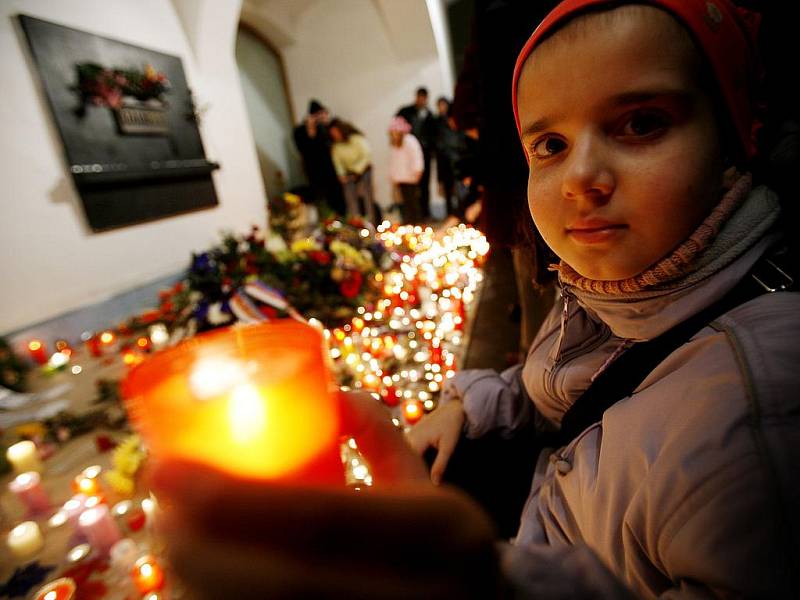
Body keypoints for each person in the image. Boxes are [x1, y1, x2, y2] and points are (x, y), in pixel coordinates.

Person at [151, 1, 799, 597]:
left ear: (735, 136)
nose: (580, 178)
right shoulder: (615, 291)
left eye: (641, 123)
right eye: (550, 145)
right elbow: (563, 385)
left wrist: (487, 587)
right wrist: (471, 403)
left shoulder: (756, 419)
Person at [292, 100, 346, 216]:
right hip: (315, 175)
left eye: (324, 113)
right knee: (323, 205)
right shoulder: (300, 131)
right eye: (319, 115)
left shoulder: (326, 129)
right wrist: (311, 130)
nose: (322, 117)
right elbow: (304, 150)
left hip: (333, 173)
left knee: (339, 204)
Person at [397, 87, 438, 220]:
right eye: (419, 97)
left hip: (425, 154)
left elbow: (434, 135)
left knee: (425, 185)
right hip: (409, 155)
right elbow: (396, 125)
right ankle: (413, 215)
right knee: (410, 187)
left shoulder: (430, 115)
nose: (421, 100)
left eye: (424, 98)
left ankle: (425, 213)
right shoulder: (406, 112)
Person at [328, 118, 377, 224]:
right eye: (332, 134)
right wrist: (341, 175)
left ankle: (371, 224)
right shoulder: (336, 146)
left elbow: (366, 155)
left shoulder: (356, 139)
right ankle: (357, 223)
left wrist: (357, 172)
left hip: (363, 171)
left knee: (367, 198)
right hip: (348, 174)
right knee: (350, 199)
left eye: (336, 132)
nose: (335, 135)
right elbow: (337, 162)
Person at [387, 116, 425, 224]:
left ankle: (417, 223)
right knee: (404, 203)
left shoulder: (410, 140)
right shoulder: (395, 145)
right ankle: (409, 222)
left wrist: (418, 171)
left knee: (413, 202)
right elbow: (393, 162)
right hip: (400, 178)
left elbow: (417, 157)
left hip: (411, 177)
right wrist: (393, 177)